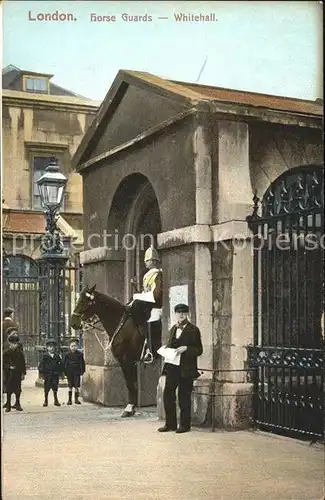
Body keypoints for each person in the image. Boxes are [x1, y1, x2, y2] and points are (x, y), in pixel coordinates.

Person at [158, 303, 203, 434]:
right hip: (172, 367)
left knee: (184, 397)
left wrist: (186, 348)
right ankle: (170, 424)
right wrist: (167, 349)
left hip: (186, 369)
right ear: (175, 314)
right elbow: (172, 346)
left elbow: (199, 350)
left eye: (183, 312)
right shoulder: (173, 329)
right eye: (179, 312)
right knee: (168, 395)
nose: (181, 315)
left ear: (187, 314)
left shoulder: (194, 330)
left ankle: (184, 425)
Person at [127, 245, 163, 362]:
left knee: (151, 326)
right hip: (148, 305)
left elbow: (155, 294)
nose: (145, 262)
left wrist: (140, 296)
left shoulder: (158, 274)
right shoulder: (147, 275)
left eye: (147, 260)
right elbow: (145, 291)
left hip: (155, 306)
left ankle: (152, 351)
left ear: (153, 261)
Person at [3, 329, 26, 412]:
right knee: (9, 389)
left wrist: (23, 373)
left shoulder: (19, 352)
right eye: (13, 343)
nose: (14, 345)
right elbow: (3, 363)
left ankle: (17, 403)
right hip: (9, 373)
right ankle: (8, 405)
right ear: (9, 343)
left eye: (16, 343)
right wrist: (9, 367)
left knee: (18, 389)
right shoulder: (5, 353)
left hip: (17, 373)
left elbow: (23, 363)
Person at [38, 339, 64, 407]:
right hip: (47, 375)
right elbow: (41, 365)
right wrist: (41, 374)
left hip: (55, 375)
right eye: (50, 347)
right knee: (47, 388)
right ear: (47, 348)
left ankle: (56, 400)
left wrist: (61, 373)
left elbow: (60, 365)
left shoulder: (57, 356)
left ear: (54, 347)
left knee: (55, 387)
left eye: (52, 347)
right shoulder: (45, 356)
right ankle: (46, 400)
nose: (51, 348)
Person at [63, 338, 85, 405]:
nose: (73, 347)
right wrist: (65, 372)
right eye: (72, 346)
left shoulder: (80, 354)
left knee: (76, 386)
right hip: (69, 372)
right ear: (69, 347)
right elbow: (65, 364)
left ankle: (76, 399)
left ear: (77, 346)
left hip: (76, 372)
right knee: (70, 386)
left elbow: (82, 363)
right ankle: (69, 400)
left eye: (75, 346)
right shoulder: (67, 355)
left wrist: (82, 371)